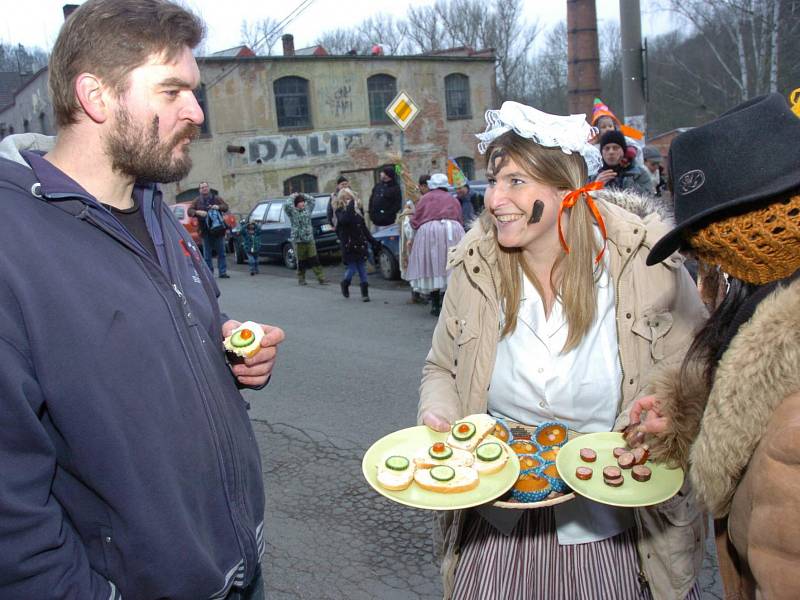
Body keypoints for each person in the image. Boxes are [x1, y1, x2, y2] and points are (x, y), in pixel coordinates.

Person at [0, 1, 284, 598]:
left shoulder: (156, 208)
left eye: (195, 91)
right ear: (96, 96)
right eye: (173, 91)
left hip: (237, 570)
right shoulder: (11, 244)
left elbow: (153, 325)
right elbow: (11, 515)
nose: (197, 113)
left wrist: (230, 347)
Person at [417, 101, 708, 600]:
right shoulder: (475, 269)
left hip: (607, 528)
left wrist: (671, 413)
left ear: (566, 191)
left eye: (515, 182)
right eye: (494, 181)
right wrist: (439, 410)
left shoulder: (644, 266)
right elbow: (441, 366)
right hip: (496, 527)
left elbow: (699, 369)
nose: (494, 200)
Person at [626, 92, 800, 600]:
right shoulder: (762, 308)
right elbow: (753, 392)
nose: (703, 264)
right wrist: (687, 412)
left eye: (707, 243)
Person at [406, 173, 465, 316]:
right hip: (453, 231)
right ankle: (448, 303)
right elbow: (459, 218)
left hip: (431, 232)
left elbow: (416, 220)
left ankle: (435, 305)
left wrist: (412, 233)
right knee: (450, 265)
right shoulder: (452, 199)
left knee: (433, 265)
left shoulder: (425, 199)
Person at [332, 187, 378, 302]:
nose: (349, 200)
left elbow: (363, 228)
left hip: (360, 243)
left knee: (362, 268)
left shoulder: (357, 212)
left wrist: (373, 241)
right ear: (342, 199)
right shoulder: (340, 211)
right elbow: (345, 220)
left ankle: (365, 294)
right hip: (349, 245)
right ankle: (345, 283)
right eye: (347, 198)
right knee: (352, 269)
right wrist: (350, 206)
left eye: (350, 198)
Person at [284, 192, 328, 286]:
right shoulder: (292, 212)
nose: (302, 203)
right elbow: (286, 205)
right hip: (299, 240)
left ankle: (321, 278)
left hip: (309, 239)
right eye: (300, 202)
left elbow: (312, 200)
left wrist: (302, 195)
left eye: (303, 202)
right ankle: (301, 279)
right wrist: (293, 196)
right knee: (301, 261)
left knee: (314, 259)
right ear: (296, 204)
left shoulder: (307, 210)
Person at [188, 180, 230, 278]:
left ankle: (222, 272)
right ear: (199, 190)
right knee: (207, 255)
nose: (204, 188)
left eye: (205, 187)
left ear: (209, 188)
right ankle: (209, 274)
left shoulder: (217, 198)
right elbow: (189, 211)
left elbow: (226, 207)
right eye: (202, 187)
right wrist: (198, 212)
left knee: (221, 253)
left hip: (218, 230)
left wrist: (218, 207)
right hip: (205, 230)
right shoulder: (197, 201)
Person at [592, 130, 652, 196]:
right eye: (607, 148)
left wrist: (627, 184)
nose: (611, 152)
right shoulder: (592, 175)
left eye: (615, 148)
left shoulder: (639, 174)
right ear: (601, 152)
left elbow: (648, 199)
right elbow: (582, 200)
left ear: (623, 151)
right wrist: (595, 187)